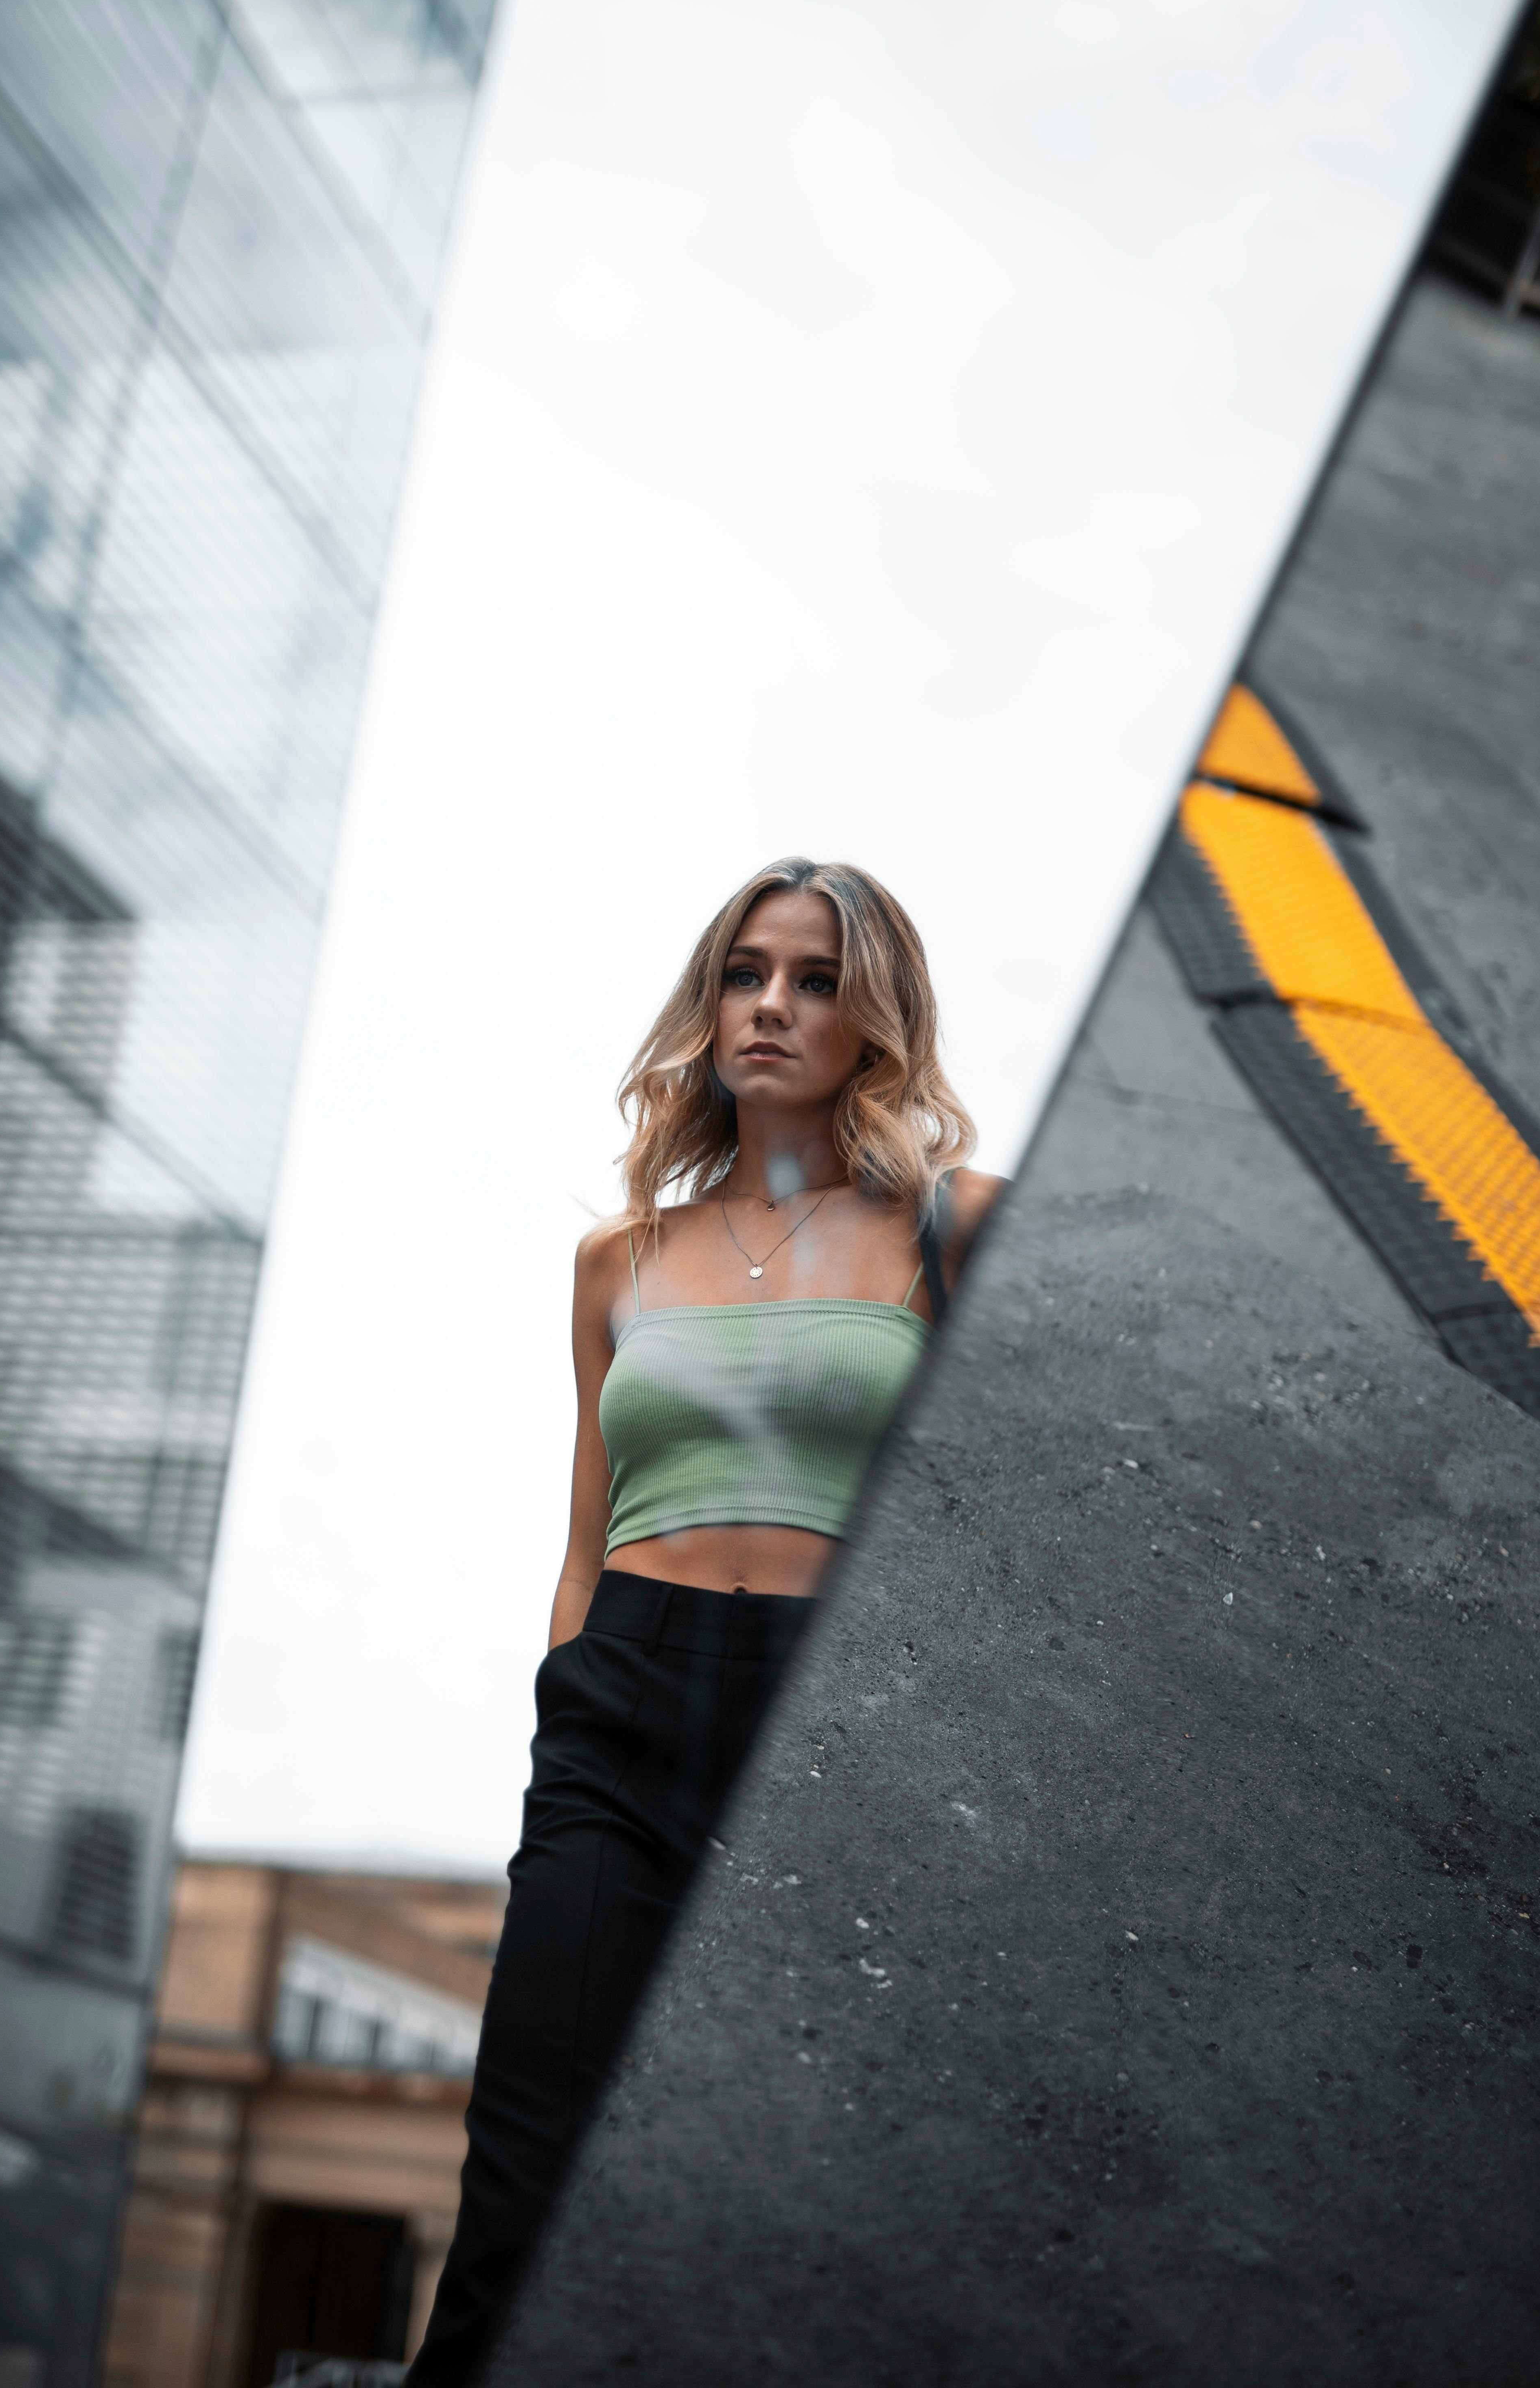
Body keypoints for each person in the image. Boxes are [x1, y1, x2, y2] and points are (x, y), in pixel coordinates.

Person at [407, 857, 1000, 2379]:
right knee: (526, 2152)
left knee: (803, 2171)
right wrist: (568, 1700)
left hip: (833, 1719)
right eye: (746, 974)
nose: (773, 1007)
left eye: (814, 979)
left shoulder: (951, 1231)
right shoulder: (621, 1260)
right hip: (623, 1704)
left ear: (876, 1019)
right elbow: (586, 1538)